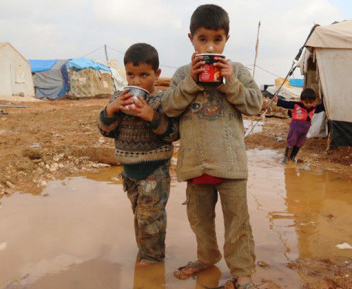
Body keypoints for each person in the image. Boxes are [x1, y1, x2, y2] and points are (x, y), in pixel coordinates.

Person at [161, 4, 263, 289]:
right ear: (191, 39)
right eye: (203, 39)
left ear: (226, 40)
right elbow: (168, 108)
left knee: (238, 222)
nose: (210, 46)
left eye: (216, 39)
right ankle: (207, 257)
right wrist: (192, 82)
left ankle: (242, 269)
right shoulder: (183, 74)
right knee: (199, 220)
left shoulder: (238, 71)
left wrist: (229, 80)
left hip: (231, 166)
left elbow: (256, 104)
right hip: (195, 165)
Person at [97, 43, 179, 265]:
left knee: (150, 217)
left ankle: (152, 261)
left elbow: (173, 134)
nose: (135, 82)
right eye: (131, 75)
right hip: (129, 172)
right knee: (139, 215)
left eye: (144, 75)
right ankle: (145, 251)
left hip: (155, 171)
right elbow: (106, 131)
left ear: (156, 74)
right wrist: (111, 110)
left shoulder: (161, 101)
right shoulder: (119, 97)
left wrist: (151, 116)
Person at [273, 88, 325, 163]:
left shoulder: (313, 108)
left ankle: (292, 157)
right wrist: (278, 100)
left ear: (313, 101)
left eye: (311, 102)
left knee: (300, 143)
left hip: (305, 129)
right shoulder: (297, 105)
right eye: (306, 102)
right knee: (292, 141)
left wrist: (327, 101)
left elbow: (322, 107)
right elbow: (287, 103)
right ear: (302, 100)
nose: (308, 104)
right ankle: (286, 158)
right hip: (295, 127)